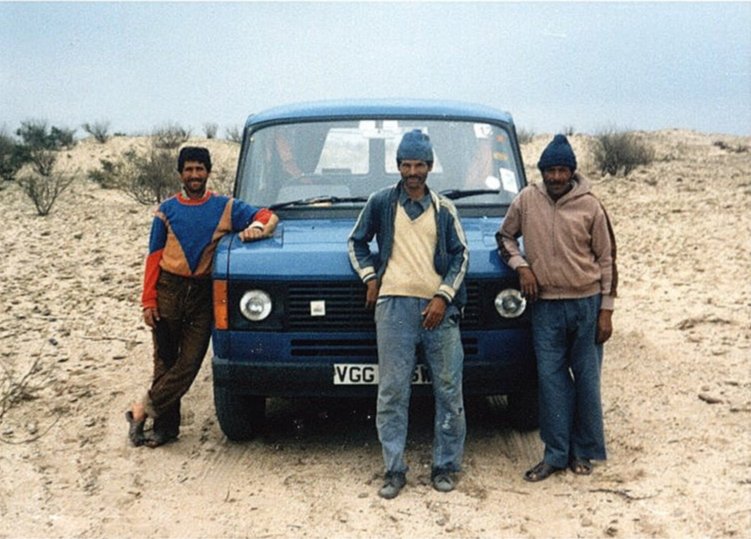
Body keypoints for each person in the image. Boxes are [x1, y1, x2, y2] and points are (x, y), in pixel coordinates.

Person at [125, 146, 279, 448]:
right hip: (168, 289)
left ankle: (141, 410)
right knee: (165, 363)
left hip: (202, 294)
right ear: (180, 173)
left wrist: (258, 229)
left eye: (199, 169)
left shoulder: (225, 206)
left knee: (190, 362)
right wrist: (148, 300)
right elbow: (154, 256)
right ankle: (165, 430)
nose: (194, 175)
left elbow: (267, 215)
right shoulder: (166, 210)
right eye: (188, 170)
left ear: (208, 172)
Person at [348, 130, 470, 498]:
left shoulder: (444, 208)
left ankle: (445, 467)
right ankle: (394, 469)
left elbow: (461, 256)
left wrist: (443, 297)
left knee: (449, 390)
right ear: (398, 166)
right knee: (392, 392)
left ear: (430, 166)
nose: (412, 171)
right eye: (406, 164)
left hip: (437, 310)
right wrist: (370, 277)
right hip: (393, 308)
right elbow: (356, 242)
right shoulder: (382, 202)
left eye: (419, 164)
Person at [496, 134, 618, 481]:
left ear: (572, 172)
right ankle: (555, 454)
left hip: (586, 305)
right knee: (550, 383)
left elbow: (608, 259)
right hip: (545, 307)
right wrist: (522, 266)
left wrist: (606, 310)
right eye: (550, 170)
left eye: (562, 170)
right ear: (543, 171)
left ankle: (584, 452)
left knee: (587, 381)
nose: (556, 177)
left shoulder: (591, 205)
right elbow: (505, 237)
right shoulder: (526, 200)